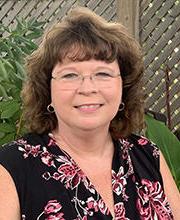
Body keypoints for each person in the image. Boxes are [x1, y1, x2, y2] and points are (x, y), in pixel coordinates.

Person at [0, 6, 179, 220]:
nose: (87, 88)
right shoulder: (12, 167)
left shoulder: (148, 156)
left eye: (103, 73)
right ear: (47, 90)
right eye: (70, 75)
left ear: (124, 86)